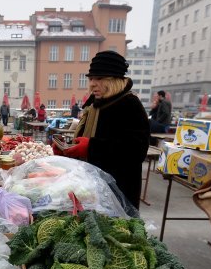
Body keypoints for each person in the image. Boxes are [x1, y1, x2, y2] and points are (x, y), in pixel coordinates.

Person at [53, 50, 149, 210]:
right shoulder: (95, 104)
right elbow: (85, 140)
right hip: (90, 189)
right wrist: (68, 150)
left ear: (114, 80)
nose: (92, 84)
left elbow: (136, 150)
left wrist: (91, 147)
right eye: (91, 78)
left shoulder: (130, 105)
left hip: (118, 194)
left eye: (99, 78)